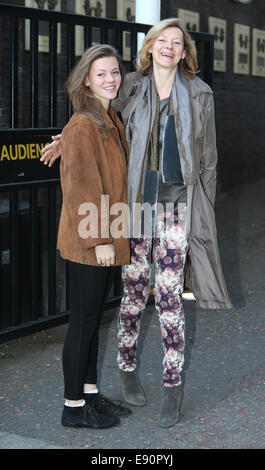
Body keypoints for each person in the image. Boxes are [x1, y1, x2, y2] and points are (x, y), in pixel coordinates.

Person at [41, 18, 232, 428]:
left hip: (178, 205)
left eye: (177, 43)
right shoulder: (130, 84)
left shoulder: (200, 94)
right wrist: (64, 138)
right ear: (149, 47)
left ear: (184, 52)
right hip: (137, 205)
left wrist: (205, 213)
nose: (169, 47)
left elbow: (210, 160)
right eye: (162, 40)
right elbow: (95, 114)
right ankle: (126, 370)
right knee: (131, 294)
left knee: (168, 298)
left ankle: (171, 384)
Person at [55, 44, 131, 429]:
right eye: (101, 73)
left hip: (107, 234)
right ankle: (72, 407)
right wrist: (99, 239)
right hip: (90, 241)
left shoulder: (108, 117)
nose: (111, 79)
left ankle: (89, 396)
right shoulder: (84, 123)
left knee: (92, 322)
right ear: (86, 80)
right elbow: (83, 187)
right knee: (83, 323)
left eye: (115, 72)